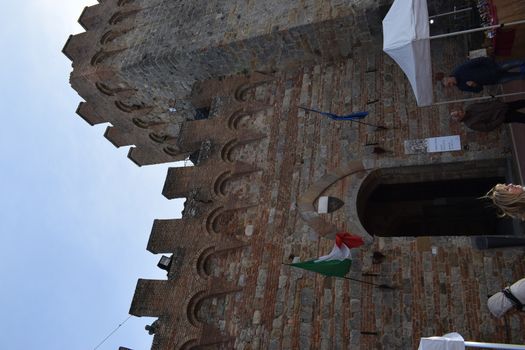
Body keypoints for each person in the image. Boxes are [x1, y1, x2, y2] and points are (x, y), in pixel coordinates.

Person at [440, 57, 525, 93]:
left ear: (448, 78)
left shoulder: (460, 70)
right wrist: (474, 85)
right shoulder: (461, 87)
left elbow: (478, 61)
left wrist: (492, 66)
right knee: (518, 76)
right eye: (450, 86)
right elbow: (479, 90)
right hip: (495, 80)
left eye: (449, 83)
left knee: (518, 63)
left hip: (496, 68)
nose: (451, 85)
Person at [450, 99, 525, 132]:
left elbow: (485, 104)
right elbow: (488, 127)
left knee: (521, 102)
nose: (459, 112)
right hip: (503, 115)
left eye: (457, 111)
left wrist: (496, 102)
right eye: (458, 114)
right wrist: (501, 119)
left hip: (502, 106)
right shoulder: (470, 124)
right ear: (459, 119)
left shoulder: (470, 107)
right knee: (521, 117)